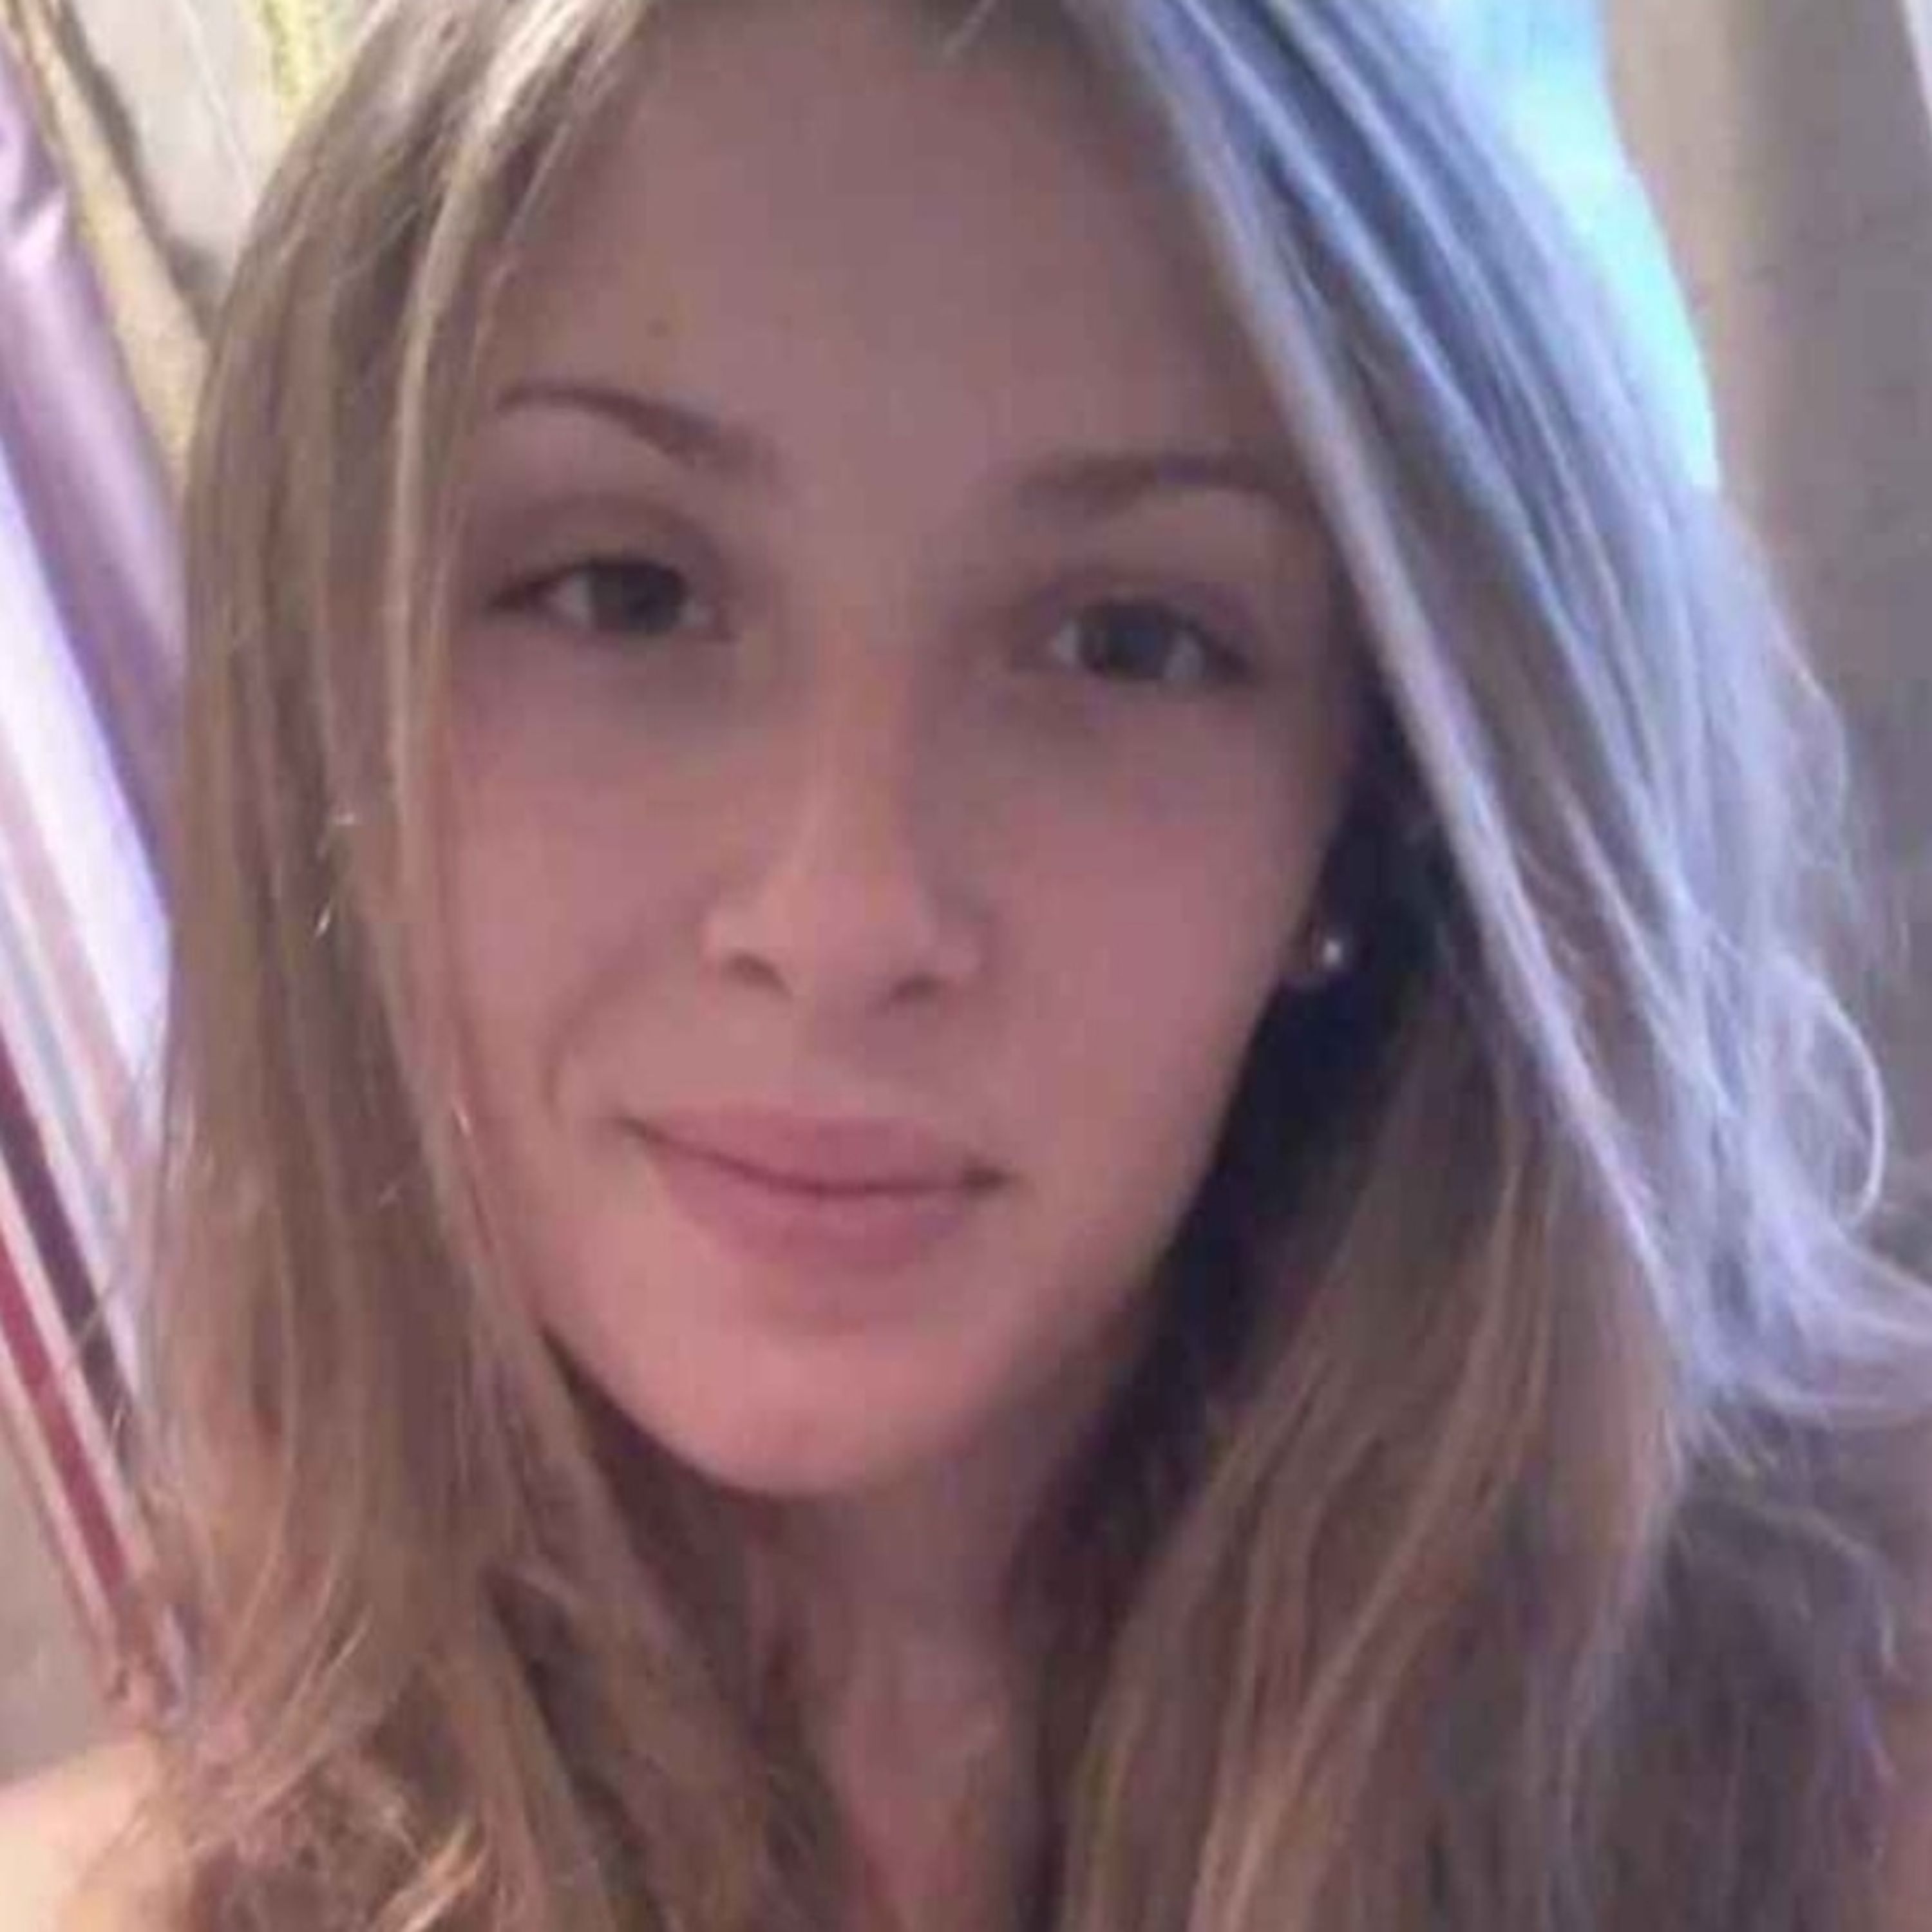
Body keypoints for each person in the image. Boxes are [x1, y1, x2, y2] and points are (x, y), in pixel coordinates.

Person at [5, 0, 1931, 1926]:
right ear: (329, 712)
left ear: (1377, 808)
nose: (842, 920)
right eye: (625, 594)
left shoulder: (1849, 1769)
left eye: (1126, 640)